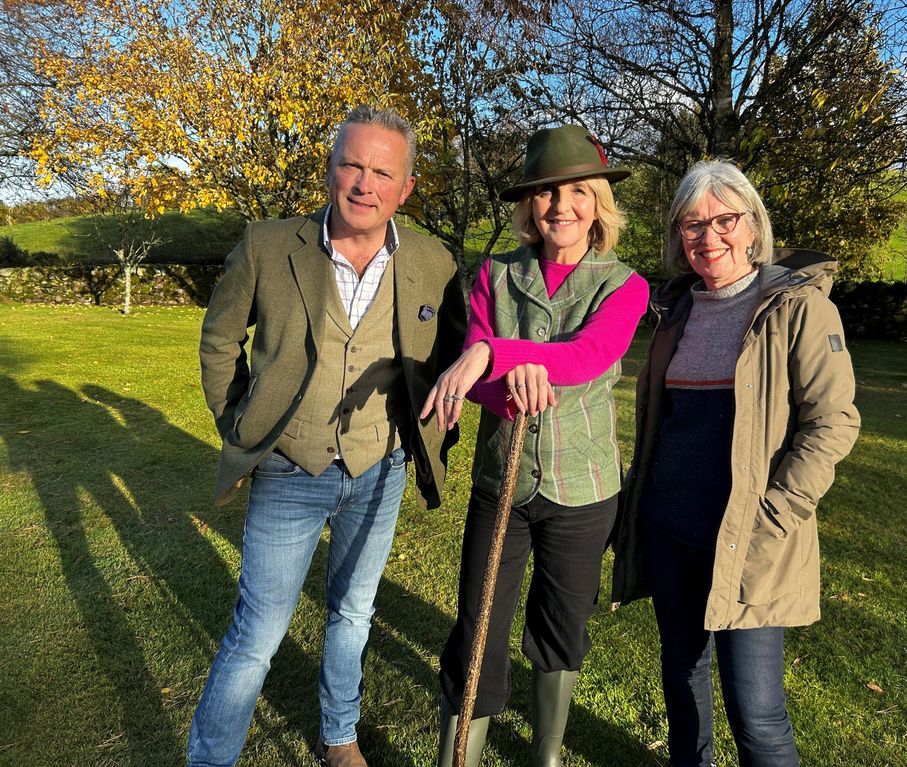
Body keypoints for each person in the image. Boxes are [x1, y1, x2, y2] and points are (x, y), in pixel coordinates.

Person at [190, 105, 467, 767]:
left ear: (405, 187)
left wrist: (430, 422)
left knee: (353, 615)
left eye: (383, 171)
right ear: (329, 169)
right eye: (353, 164)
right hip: (290, 468)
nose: (365, 183)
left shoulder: (433, 260)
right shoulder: (267, 244)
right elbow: (220, 338)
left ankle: (339, 737)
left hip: (380, 469)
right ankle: (210, 758)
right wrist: (240, 424)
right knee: (257, 632)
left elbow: (453, 351)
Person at [611, 159, 861, 767]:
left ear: (752, 227)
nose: (709, 236)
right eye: (692, 225)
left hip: (751, 540)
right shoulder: (678, 313)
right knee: (683, 684)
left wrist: (777, 513)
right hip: (670, 532)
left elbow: (833, 421)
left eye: (725, 219)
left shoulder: (797, 310)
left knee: (759, 714)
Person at [419, 124, 649, 767]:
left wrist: (496, 353)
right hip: (504, 482)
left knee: (560, 624)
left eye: (578, 192)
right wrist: (493, 371)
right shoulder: (494, 275)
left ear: (598, 203)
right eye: (546, 193)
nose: (561, 206)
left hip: (585, 488)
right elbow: (479, 385)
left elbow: (589, 355)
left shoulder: (625, 285)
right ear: (528, 206)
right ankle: (456, 755)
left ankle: (545, 754)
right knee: (478, 624)